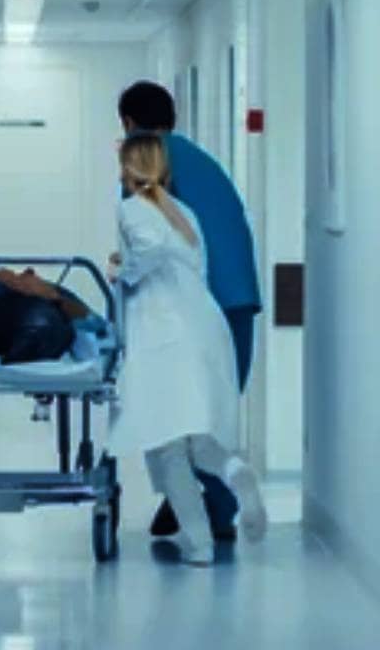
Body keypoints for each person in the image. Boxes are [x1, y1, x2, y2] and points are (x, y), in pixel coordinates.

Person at [108, 134, 267, 566]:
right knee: (197, 436)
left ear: (128, 169)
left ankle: (200, 545)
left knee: (167, 445)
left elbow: (149, 252)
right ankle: (236, 472)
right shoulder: (184, 213)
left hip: (163, 332)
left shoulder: (131, 208)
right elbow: (189, 263)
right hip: (203, 324)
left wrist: (121, 272)